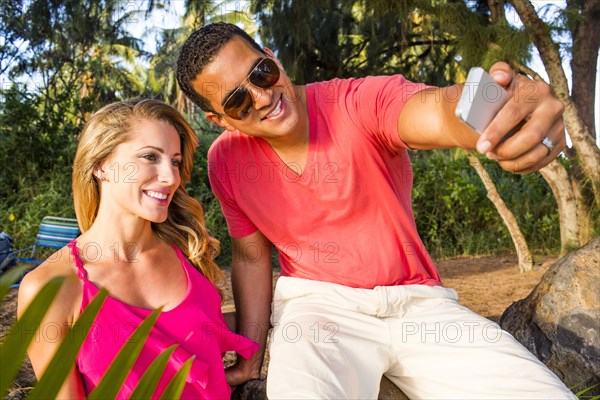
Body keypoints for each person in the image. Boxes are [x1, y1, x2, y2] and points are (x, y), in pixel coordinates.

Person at [176, 22, 575, 399]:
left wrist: (499, 105)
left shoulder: (355, 101)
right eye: (238, 101)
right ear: (220, 120)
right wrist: (250, 358)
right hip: (318, 310)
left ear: (273, 57)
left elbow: (438, 111)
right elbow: (250, 256)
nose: (264, 97)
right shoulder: (226, 161)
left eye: (261, 72)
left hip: (420, 304)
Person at [17, 99, 258, 399]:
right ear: (101, 166)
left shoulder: (187, 250)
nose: (171, 178)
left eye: (174, 160)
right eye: (149, 157)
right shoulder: (50, 288)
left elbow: (203, 331)